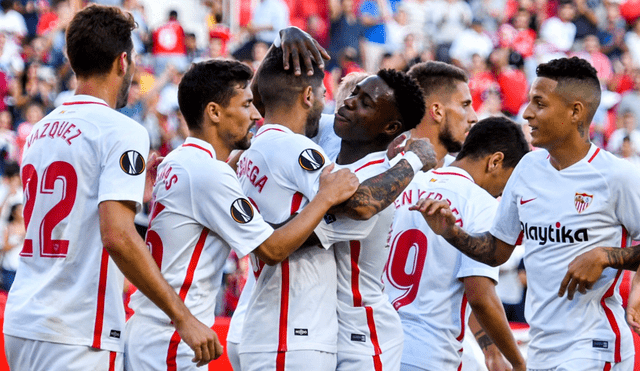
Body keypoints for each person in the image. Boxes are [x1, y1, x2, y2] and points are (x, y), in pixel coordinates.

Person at [3, 5, 218, 370]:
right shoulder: (122, 130)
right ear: (123, 61)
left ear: (72, 62)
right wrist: (182, 317)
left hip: (24, 320)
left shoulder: (39, 131)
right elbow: (117, 235)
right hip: (78, 331)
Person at [124, 59, 359, 370]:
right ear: (215, 112)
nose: (256, 114)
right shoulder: (209, 174)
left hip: (152, 333)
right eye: (246, 104)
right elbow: (273, 249)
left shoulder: (177, 159)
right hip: (172, 339)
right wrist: (324, 198)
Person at [413, 56, 640, 371]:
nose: (527, 113)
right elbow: (495, 251)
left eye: (540, 103)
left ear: (576, 111)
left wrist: (606, 256)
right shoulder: (527, 169)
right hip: (543, 348)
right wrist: (452, 233)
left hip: (595, 346)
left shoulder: (618, 176)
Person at [237, 45, 435, 371]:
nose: (348, 102)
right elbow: (272, 100)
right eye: (354, 93)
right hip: (320, 326)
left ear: (389, 128)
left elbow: (351, 209)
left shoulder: (375, 181)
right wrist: (282, 45)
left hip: (362, 332)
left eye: (365, 104)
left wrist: (413, 161)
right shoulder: (330, 132)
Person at [386, 116, 528, 371]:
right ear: (495, 161)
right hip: (429, 352)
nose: (504, 193)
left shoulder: (407, 182)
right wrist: (518, 362)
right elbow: (480, 296)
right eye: (509, 181)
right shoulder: (481, 203)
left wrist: (490, 351)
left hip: (376, 345)